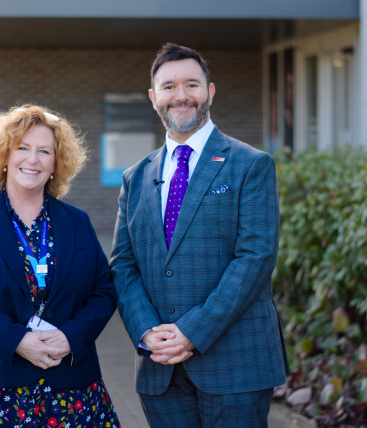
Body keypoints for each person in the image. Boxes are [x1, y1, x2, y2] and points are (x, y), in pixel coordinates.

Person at [110, 43, 289, 427]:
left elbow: (255, 258)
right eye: (169, 86)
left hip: (236, 365)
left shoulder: (250, 165)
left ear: (209, 91)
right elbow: (123, 266)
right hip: (161, 369)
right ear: (153, 97)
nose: (181, 95)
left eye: (192, 84)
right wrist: (146, 331)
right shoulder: (135, 177)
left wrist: (192, 331)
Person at [0, 105, 120, 428]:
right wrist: (16, 340)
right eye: (22, 148)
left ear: (56, 163)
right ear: (5, 156)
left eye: (44, 151)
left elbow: (104, 292)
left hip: (71, 389)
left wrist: (70, 337)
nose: (32, 159)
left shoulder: (77, 222)